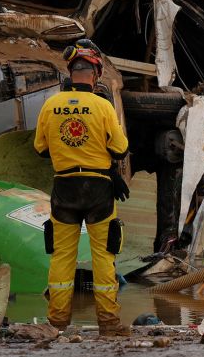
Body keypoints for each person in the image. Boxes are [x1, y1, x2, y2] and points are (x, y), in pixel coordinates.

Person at [32, 44, 131, 337]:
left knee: (62, 256)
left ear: (70, 72)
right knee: (103, 255)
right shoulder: (103, 106)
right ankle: (109, 323)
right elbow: (120, 148)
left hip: (64, 188)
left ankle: (57, 324)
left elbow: (40, 148)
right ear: (97, 73)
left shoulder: (50, 105)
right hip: (99, 188)